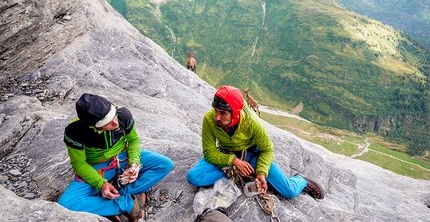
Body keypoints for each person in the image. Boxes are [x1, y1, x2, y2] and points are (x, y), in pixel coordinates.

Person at [186, 86, 324, 200]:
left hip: (252, 157)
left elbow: (267, 150)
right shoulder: (209, 119)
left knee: (289, 191)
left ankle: (301, 180)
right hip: (228, 156)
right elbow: (209, 152)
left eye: (223, 113)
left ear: (235, 113)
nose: (217, 117)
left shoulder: (252, 123)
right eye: (216, 111)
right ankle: (237, 175)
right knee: (194, 177)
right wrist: (233, 161)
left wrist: (261, 173)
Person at [59, 93, 174, 221]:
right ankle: (123, 203)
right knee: (66, 203)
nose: (116, 123)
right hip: (100, 168)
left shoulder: (123, 114)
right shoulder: (74, 132)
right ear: (94, 127)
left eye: (114, 116)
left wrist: (134, 163)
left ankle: (126, 192)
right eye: (109, 123)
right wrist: (101, 184)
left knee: (165, 164)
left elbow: (134, 140)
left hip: (124, 157)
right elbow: (79, 163)